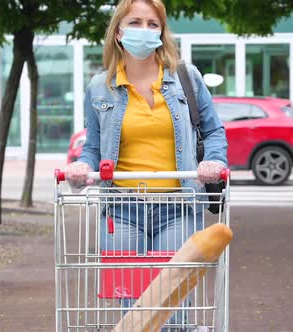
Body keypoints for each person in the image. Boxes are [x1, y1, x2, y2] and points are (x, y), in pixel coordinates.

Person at [64, 0, 227, 329]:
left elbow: (213, 131)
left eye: (153, 24)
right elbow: (93, 146)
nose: (145, 30)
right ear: (119, 31)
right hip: (123, 208)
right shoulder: (100, 87)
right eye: (136, 22)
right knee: (136, 306)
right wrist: (83, 166)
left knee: (173, 300)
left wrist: (213, 160)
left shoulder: (187, 77)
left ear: (162, 31)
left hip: (178, 205)